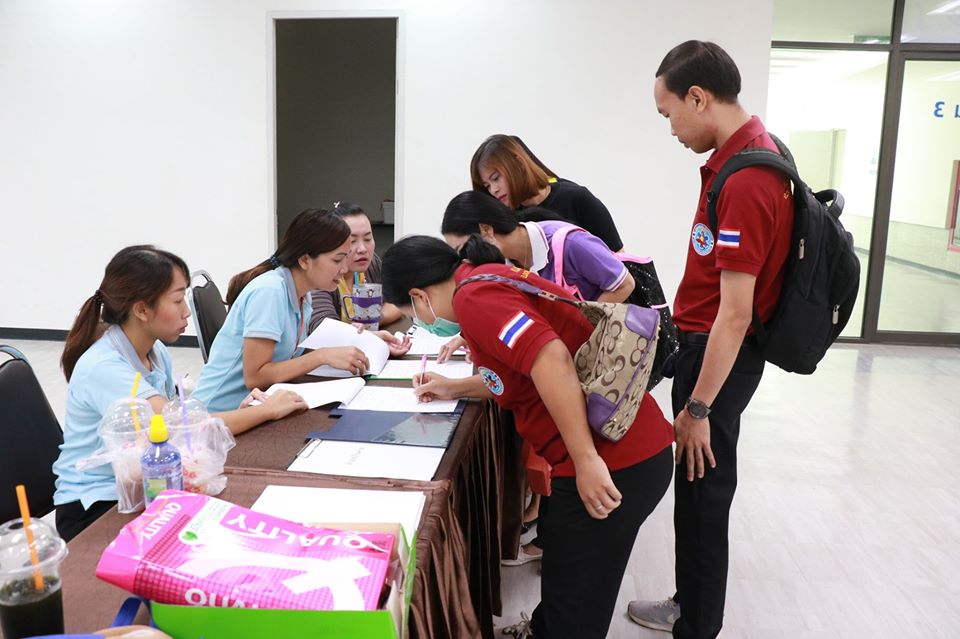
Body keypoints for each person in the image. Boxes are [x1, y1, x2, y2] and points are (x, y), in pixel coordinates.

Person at [381, 235, 674, 638]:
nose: (422, 321)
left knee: (576, 603)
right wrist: (456, 387)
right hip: (620, 449)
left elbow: (550, 358)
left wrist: (586, 460)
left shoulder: (475, 299)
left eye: (412, 313)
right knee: (570, 577)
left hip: (611, 460)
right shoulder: (484, 276)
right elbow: (519, 372)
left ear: (418, 296)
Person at [627, 41, 794, 639]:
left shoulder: (748, 178)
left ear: (698, 98)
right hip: (707, 351)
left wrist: (698, 407)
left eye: (668, 112)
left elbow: (735, 314)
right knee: (700, 490)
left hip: (716, 359)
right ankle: (691, 606)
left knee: (703, 491)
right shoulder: (749, 155)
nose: (670, 127)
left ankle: (696, 624)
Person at [53, 246, 308, 541]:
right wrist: (266, 410)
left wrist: (241, 412)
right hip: (97, 504)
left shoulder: (156, 351)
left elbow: (175, 426)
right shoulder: (104, 367)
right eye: (177, 300)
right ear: (141, 310)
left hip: (143, 484)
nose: (186, 311)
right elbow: (179, 426)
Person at [439, 190, 637, 565]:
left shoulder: (567, 242)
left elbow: (621, 286)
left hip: (594, 370)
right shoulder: (503, 266)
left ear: (485, 230)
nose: (462, 261)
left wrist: (582, 340)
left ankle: (550, 527)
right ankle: (542, 515)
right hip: (572, 376)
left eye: (462, 249)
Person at [193, 208, 408, 413]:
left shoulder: (302, 294)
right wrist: (321, 356)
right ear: (305, 260)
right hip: (220, 415)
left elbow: (291, 354)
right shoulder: (270, 292)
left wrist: (367, 340)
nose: (344, 268)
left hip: (261, 404)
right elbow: (255, 377)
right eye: (337, 259)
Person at [470, 134, 624, 252]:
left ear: (518, 164)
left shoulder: (575, 197)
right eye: (487, 186)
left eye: (496, 178)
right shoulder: (511, 222)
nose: (494, 190)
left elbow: (620, 258)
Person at [308, 202, 403, 332]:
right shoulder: (320, 275)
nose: (363, 249)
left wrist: (372, 320)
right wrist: (364, 330)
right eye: (352, 241)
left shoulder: (371, 264)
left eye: (368, 239)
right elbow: (324, 328)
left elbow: (398, 300)